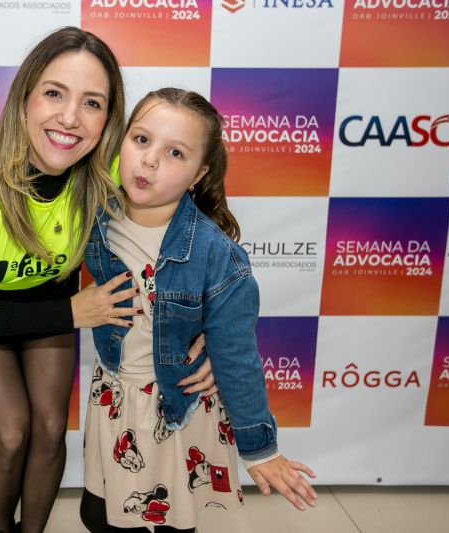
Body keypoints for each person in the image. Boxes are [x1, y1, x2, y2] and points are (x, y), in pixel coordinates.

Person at [0, 29, 214, 533]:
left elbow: (194, 233)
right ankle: (0, 528)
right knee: (11, 433)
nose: (70, 118)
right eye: (55, 93)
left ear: (109, 119)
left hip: (54, 297)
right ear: (25, 96)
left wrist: (208, 329)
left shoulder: (111, 169)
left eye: (92, 103)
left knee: (51, 427)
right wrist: (72, 313)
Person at [80, 88, 318, 533]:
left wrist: (260, 450)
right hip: (115, 397)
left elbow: (237, 356)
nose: (149, 161)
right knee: (98, 515)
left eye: (175, 153)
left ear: (199, 173)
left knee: (171, 519)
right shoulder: (94, 215)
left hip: (176, 406)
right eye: (141, 139)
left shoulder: (217, 255)